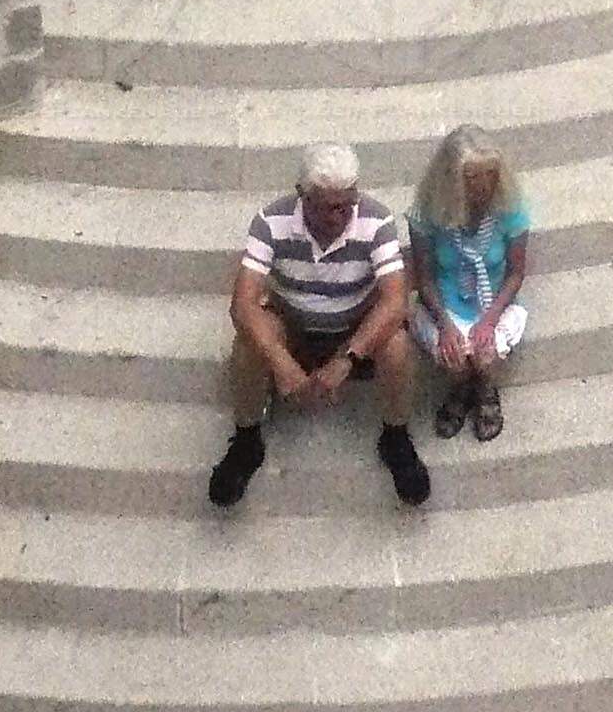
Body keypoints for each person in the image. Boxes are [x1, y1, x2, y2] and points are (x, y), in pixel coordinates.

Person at [207, 142, 429, 508]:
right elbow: (242, 305)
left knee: (397, 344)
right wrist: (282, 364)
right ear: (302, 196)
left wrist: (347, 359)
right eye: (329, 207)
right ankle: (246, 438)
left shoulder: (377, 221)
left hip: (353, 330)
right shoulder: (271, 222)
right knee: (248, 339)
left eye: (347, 205)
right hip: (293, 328)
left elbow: (394, 300)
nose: (340, 216)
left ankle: (396, 435)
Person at [407, 126, 531, 444]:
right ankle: (462, 386)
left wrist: (489, 320)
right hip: (447, 302)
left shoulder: (510, 210)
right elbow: (425, 276)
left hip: (491, 301)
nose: (484, 189)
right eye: (473, 181)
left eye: (490, 177)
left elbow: (516, 273)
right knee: (455, 352)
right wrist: (446, 324)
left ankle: (485, 388)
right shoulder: (426, 214)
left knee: (485, 349)